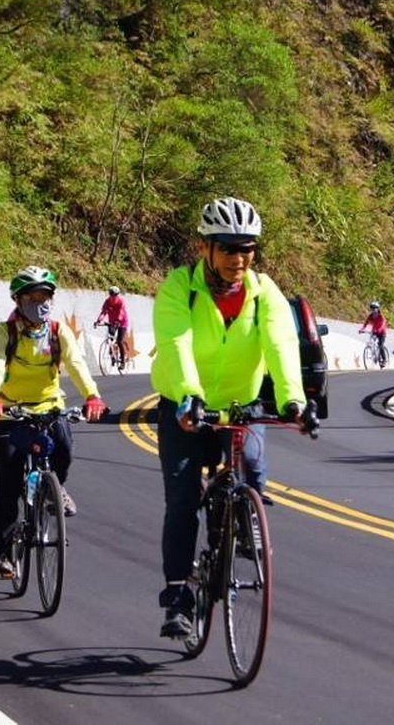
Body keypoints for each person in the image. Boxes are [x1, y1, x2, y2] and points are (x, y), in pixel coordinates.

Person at [151, 196, 307, 639]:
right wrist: (188, 396)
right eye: (228, 248)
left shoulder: (264, 293)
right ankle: (178, 596)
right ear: (205, 248)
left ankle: (245, 519)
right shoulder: (180, 287)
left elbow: (280, 344)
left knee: (253, 464)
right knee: (182, 500)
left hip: (241, 404)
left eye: (247, 249)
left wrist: (293, 399)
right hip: (186, 406)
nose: (239, 259)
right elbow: (176, 342)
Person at [0, 266, 108, 580]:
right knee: (10, 482)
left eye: (46, 296)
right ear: (19, 300)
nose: (42, 302)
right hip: (7, 409)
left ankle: (57, 487)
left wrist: (92, 395)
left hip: (49, 404)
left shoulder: (56, 330)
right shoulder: (4, 332)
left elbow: (76, 363)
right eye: (33, 296)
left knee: (64, 446)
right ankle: (7, 554)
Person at [93, 285, 130, 365]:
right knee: (110, 339)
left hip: (122, 323)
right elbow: (104, 312)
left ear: (118, 295)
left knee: (119, 340)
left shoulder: (121, 301)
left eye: (115, 295)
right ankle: (112, 355)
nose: (113, 297)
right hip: (112, 322)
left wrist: (118, 320)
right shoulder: (107, 302)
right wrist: (98, 320)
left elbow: (121, 312)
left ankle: (122, 361)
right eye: (111, 295)